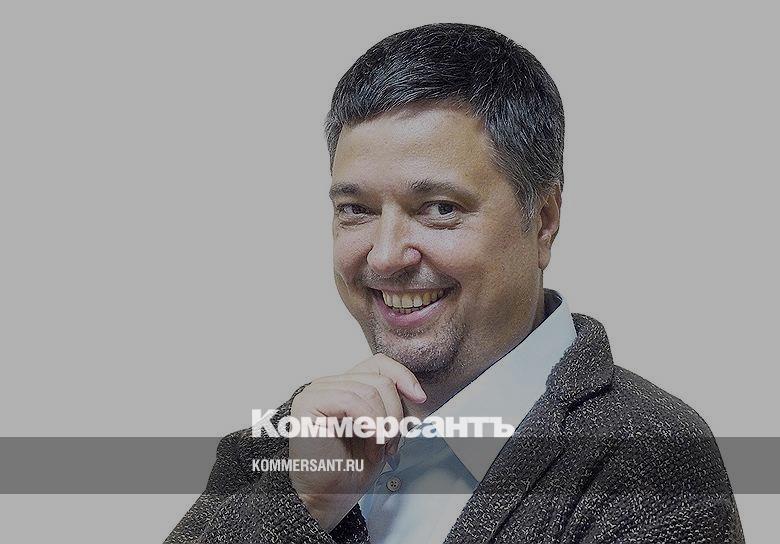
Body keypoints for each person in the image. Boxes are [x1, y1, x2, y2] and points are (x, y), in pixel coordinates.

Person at [166, 23, 744, 544]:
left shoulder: (651, 459)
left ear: (544, 220)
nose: (386, 256)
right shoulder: (284, 444)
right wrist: (299, 506)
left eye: (440, 209)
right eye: (356, 210)